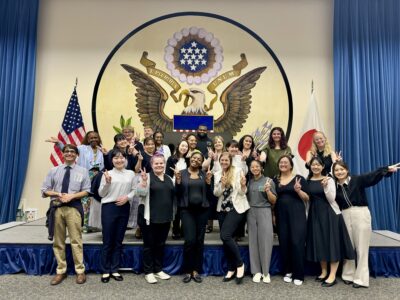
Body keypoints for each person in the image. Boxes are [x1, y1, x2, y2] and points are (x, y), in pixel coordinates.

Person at [332, 160, 399, 288]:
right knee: (348, 246)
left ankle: (361, 279)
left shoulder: (357, 180)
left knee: (361, 247)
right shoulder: (334, 186)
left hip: (360, 212)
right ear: (333, 173)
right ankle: (348, 274)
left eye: (342, 169)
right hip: (344, 215)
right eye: (336, 170)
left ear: (347, 170)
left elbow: (371, 177)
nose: (339, 172)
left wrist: (385, 169)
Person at [41, 144, 91, 285]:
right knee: (58, 241)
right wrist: (57, 194)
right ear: (62, 154)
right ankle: (61, 271)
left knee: (76, 240)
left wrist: (72, 196)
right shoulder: (54, 170)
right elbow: (44, 190)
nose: (69, 153)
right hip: (57, 208)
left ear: (77, 155)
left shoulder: (83, 171)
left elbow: (87, 190)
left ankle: (80, 271)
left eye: (72, 151)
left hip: (73, 208)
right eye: (67, 151)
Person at [305, 157, 354, 287]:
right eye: (313, 165)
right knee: (320, 242)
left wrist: (326, 186)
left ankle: (332, 275)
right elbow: (307, 199)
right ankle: (323, 271)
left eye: (318, 165)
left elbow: (332, 198)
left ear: (322, 167)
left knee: (332, 243)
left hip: (329, 214)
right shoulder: (308, 180)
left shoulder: (329, 179)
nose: (315, 167)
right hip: (315, 215)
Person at [46, 131, 105, 233]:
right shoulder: (82, 148)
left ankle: (92, 224)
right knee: (85, 201)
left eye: (95, 137)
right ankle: (83, 225)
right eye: (91, 138)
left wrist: (106, 153)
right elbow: (69, 151)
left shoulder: (101, 150)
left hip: (98, 177)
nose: (93, 139)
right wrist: (59, 143)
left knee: (94, 202)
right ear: (87, 139)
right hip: (85, 175)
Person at [98, 149, 136, 283]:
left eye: (121, 158)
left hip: (124, 207)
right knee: (108, 240)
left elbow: (134, 189)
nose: (119, 160)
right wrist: (107, 182)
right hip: (109, 207)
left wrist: (127, 197)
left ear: (125, 159)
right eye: (116, 158)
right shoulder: (107, 173)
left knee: (118, 240)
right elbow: (101, 194)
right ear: (112, 160)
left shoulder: (131, 173)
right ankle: (105, 270)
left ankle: (114, 269)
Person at [137, 154, 175, 284]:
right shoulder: (146, 177)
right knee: (149, 246)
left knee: (160, 245)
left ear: (164, 164)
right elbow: (140, 195)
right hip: (150, 218)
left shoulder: (170, 178)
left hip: (165, 218)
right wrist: (143, 183)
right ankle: (148, 272)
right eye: (156, 163)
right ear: (152, 165)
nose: (159, 165)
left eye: (161, 163)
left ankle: (158, 270)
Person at [175, 151, 213, 283]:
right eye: (194, 157)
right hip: (187, 211)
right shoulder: (182, 173)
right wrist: (178, 182)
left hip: (202, 212)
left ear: (201, 162)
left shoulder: (204, 174)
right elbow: (178, 194)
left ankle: (196, 270)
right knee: (190, 240)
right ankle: (187, 270)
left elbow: (210, 195)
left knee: (199, 240)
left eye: (199, 159)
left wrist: (208, 183)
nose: (195, 160)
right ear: (189, 159)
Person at [213, 152, 250, 284]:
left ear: (230, 161)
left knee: (225, 235)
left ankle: (240, 264)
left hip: (236, 207)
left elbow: (242, 192)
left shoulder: (238, 171)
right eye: (221, 160)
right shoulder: (217, 174)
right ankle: (231, 268)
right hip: (222, 209)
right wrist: (222, 185)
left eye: (226, 160)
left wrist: (244, 185)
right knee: (227, 240)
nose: (224, 162)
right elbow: (216, 193)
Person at [274, 154, 309, 286]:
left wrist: (299, 191)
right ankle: (287, 271)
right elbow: (273, 198)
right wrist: (273, 215)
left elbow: (307, 198)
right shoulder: (275, 179)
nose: (283, 164)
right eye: (281, 162)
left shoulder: (299, 179)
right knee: (284, 242)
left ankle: (298, 274)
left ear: (291, 165)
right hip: (280, 215)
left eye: (285, 162)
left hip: (297, 214)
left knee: (297, 242)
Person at [246, 160, 276, 284]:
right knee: (253, 241)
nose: (255, 168)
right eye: (252, 167)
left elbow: (274, 200)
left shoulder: (268, 181)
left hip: (264, 211)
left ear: (261, 167)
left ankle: (265, 272)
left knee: (265, 241)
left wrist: (268, 191)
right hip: (251, 211)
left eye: (257, 166)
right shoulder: (250, 182)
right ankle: (256, 271)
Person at [166, 140, 190, 240]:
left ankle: (184, 230)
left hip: (186, 188)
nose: (184, 148)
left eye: (186, 146)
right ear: (178, 146)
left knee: (184, 209)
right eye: (182, 145)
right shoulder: (171, 159)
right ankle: (175, 230)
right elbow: (167, 174)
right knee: (176, 210)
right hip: (174, 186)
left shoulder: (188, 160)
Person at [202, 135, 225, 233]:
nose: (217, 144)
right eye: (216, 142)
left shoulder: (226, 154)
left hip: (223, 180)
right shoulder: (210, 153)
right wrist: (210, 157)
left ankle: (222, 225)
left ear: (223, 144)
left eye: (219, 142)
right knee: (211, 202)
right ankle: (209, 225)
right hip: (211, 180)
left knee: (222, 202)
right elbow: (203, 167)